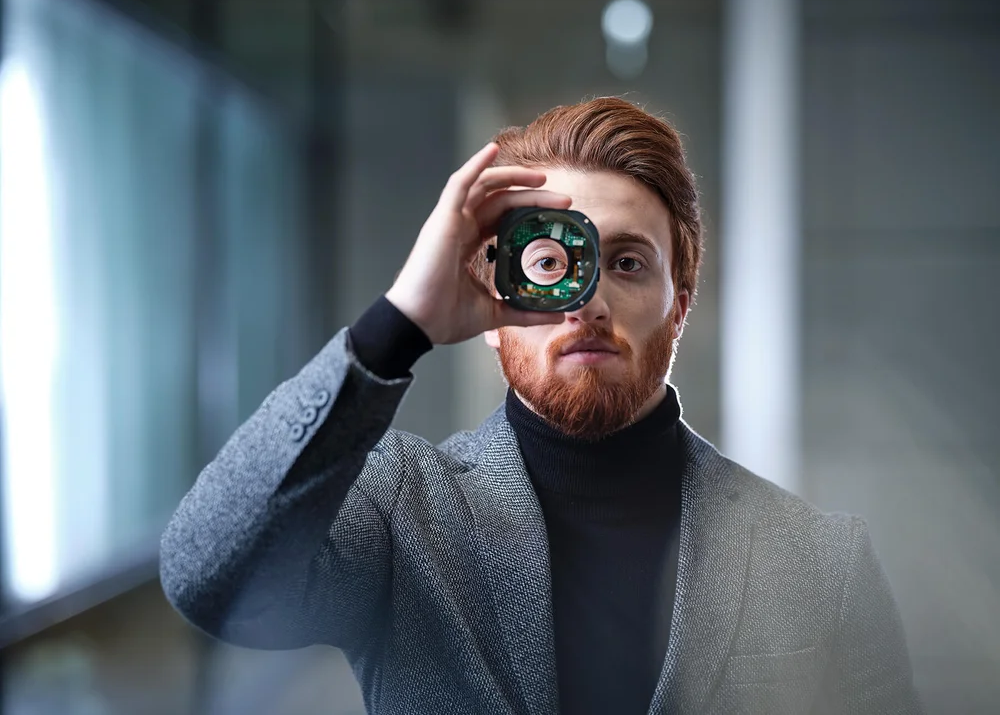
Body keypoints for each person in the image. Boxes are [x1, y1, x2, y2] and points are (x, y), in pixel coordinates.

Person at [160, 97, 923, 714]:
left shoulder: (821, 563)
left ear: (679, 306)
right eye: (551, 263)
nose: (586, 300)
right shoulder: (400, 511)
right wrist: (400, 326)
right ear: (493, 304)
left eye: (625, 262)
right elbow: (207, 575)